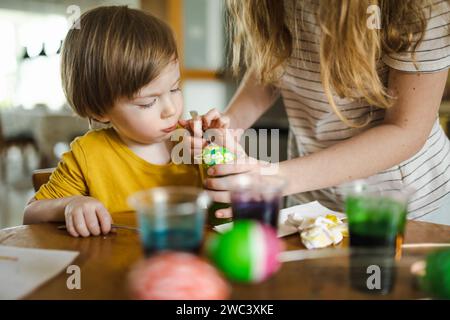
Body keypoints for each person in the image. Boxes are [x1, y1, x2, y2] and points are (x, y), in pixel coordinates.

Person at [184, 0, 450, 225]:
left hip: (404, 208)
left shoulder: (419, 8)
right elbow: (272, 66)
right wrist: (228, 125)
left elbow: (406, 130)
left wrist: (273, 178)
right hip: (310, 200)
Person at [23, 6, 201, 237]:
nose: (171, 109)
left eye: (175, 88)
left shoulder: (197, 141)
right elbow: (30, 214)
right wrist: (70, 204)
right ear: (99, 110)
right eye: (148, 102)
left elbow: (229, 207)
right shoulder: (88, 154)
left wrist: (226, 158)